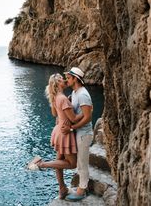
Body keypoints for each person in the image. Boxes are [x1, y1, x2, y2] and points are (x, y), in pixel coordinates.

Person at [26, 73, 83, 200]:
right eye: (62, 80)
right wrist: (86, 113)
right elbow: (73, 119)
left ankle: (62, 189)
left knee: (59, 162)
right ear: (58, 84)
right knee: (72, 164)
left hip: (58, 131)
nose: (64, 80)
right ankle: (41, 164)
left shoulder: (56, 97)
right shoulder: (62, 99)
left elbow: (55, 114)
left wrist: (63, 114)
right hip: (64, 134)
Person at [62, 67, 93, 202]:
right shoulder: (75, 93)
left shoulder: (82, 94)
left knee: (82, 162)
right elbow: (85, 111)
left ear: (76, 79)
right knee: (80, 162)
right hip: (79, 133)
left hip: (84, 134)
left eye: (69, 78)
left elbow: (88, 117)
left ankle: (82, 190)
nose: (66, 80)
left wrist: (72, 127)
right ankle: (82, 186)